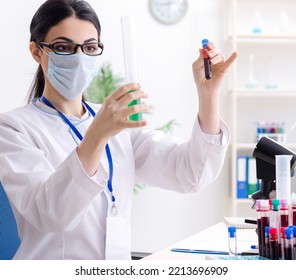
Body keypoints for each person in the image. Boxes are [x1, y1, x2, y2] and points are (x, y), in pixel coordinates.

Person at [0, 0, 237, 260]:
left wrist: (209, 95)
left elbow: (191, 173)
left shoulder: (115, 122)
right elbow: (49, 214)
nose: (79, 58)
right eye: (63, 47)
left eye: (90, 47)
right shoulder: (13, 128)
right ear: (36, 51)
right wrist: (98, 134)